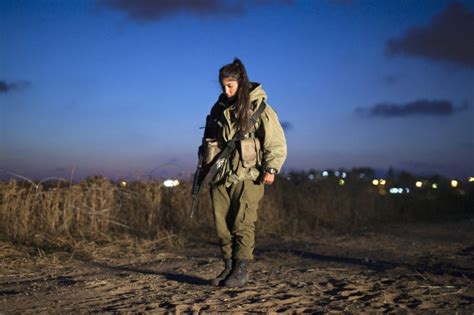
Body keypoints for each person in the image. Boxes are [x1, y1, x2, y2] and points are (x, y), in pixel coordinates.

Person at [201, 58, 287, 287]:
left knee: (242, 223)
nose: (226, 90)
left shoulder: (259, 108)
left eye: (230, 85)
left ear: (241, 82)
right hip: (220, 175)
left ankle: (241, 269)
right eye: (223, 86)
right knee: (222, 226)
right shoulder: (218, 108)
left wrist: (271, 168)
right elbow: (208, 141)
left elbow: (275, 142)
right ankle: (228, 267)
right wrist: (204, 169)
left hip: (249, 175)